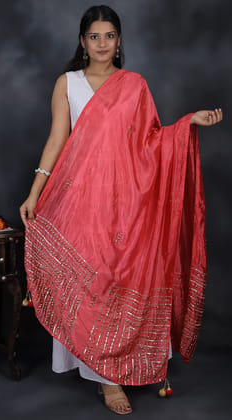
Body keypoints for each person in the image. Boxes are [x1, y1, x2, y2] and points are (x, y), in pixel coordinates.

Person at [20, 5, 223, 415]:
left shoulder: (134, 85)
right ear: (82, 41)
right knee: (92, 284)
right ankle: (105, 379)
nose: (101, 44)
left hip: (129, 201)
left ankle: (118, 370)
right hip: (80, 201)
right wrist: (34, 192)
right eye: (94, 37)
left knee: (121, 278)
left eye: (109, 36)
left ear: (119, 41)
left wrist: (187, 124)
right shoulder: (68, 83)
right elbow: (57, 139)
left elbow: (150, 141)